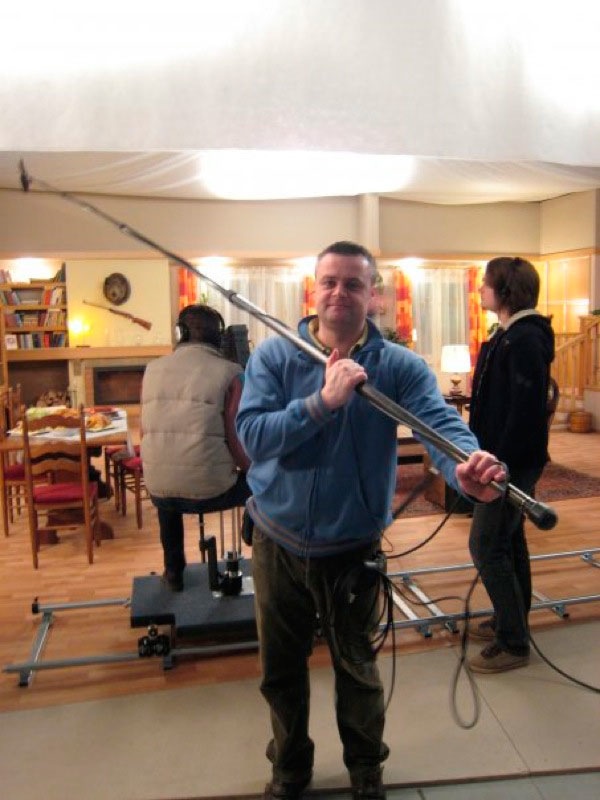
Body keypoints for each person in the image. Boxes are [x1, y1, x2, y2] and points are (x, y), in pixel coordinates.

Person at [236, 241, 506, 800]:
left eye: (353, 284)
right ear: (314, 290)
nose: (340, 292)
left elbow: (440, 428)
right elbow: (253, 438)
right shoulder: (274, 357)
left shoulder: (399, 366)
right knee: (280, 673)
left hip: (351, 549)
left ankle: (366, 772)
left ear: (373, 295)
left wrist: (465, 468)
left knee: (357, 670)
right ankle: (290, 770)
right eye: (329, 281)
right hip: (276, 541)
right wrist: (322, 403)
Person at [467, 256, 555, 673]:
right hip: (505, 460)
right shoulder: (510, 335)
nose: (480, 289)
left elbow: (524, 412)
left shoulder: (525, 339)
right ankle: (512, 619)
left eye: (486, 283)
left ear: (505, 291)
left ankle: (513, 642)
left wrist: (498, 466)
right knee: (508, 541)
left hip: (510, 464)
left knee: (485, 545)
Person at [141, 304, 250, 591]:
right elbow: (237, 439)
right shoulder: (232, 372)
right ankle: (255, 540)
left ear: (181, 333)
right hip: (213, 491)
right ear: (220, 337)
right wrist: (254, 470)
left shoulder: (152, 369)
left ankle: (173, 572)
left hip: (157, 489)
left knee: (168, 487)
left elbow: (145, 431)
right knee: (266, 482)